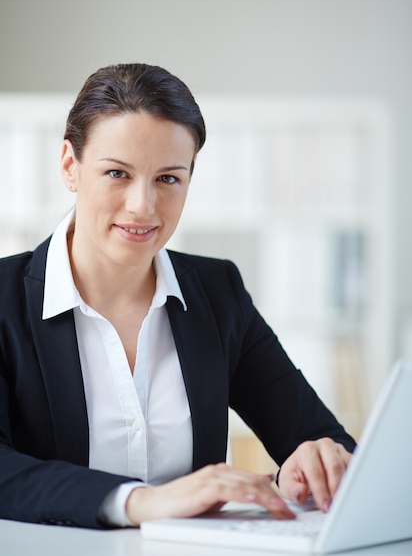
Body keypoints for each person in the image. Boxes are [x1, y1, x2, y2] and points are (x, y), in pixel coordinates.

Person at [0, 63, 355, 529]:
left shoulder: (217, 292)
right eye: (117, 173)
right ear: (70, 166)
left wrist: (316, 463)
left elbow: (326, 442)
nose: (142, 206)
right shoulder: (5, 300)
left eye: (168, 178)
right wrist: (139, 502)